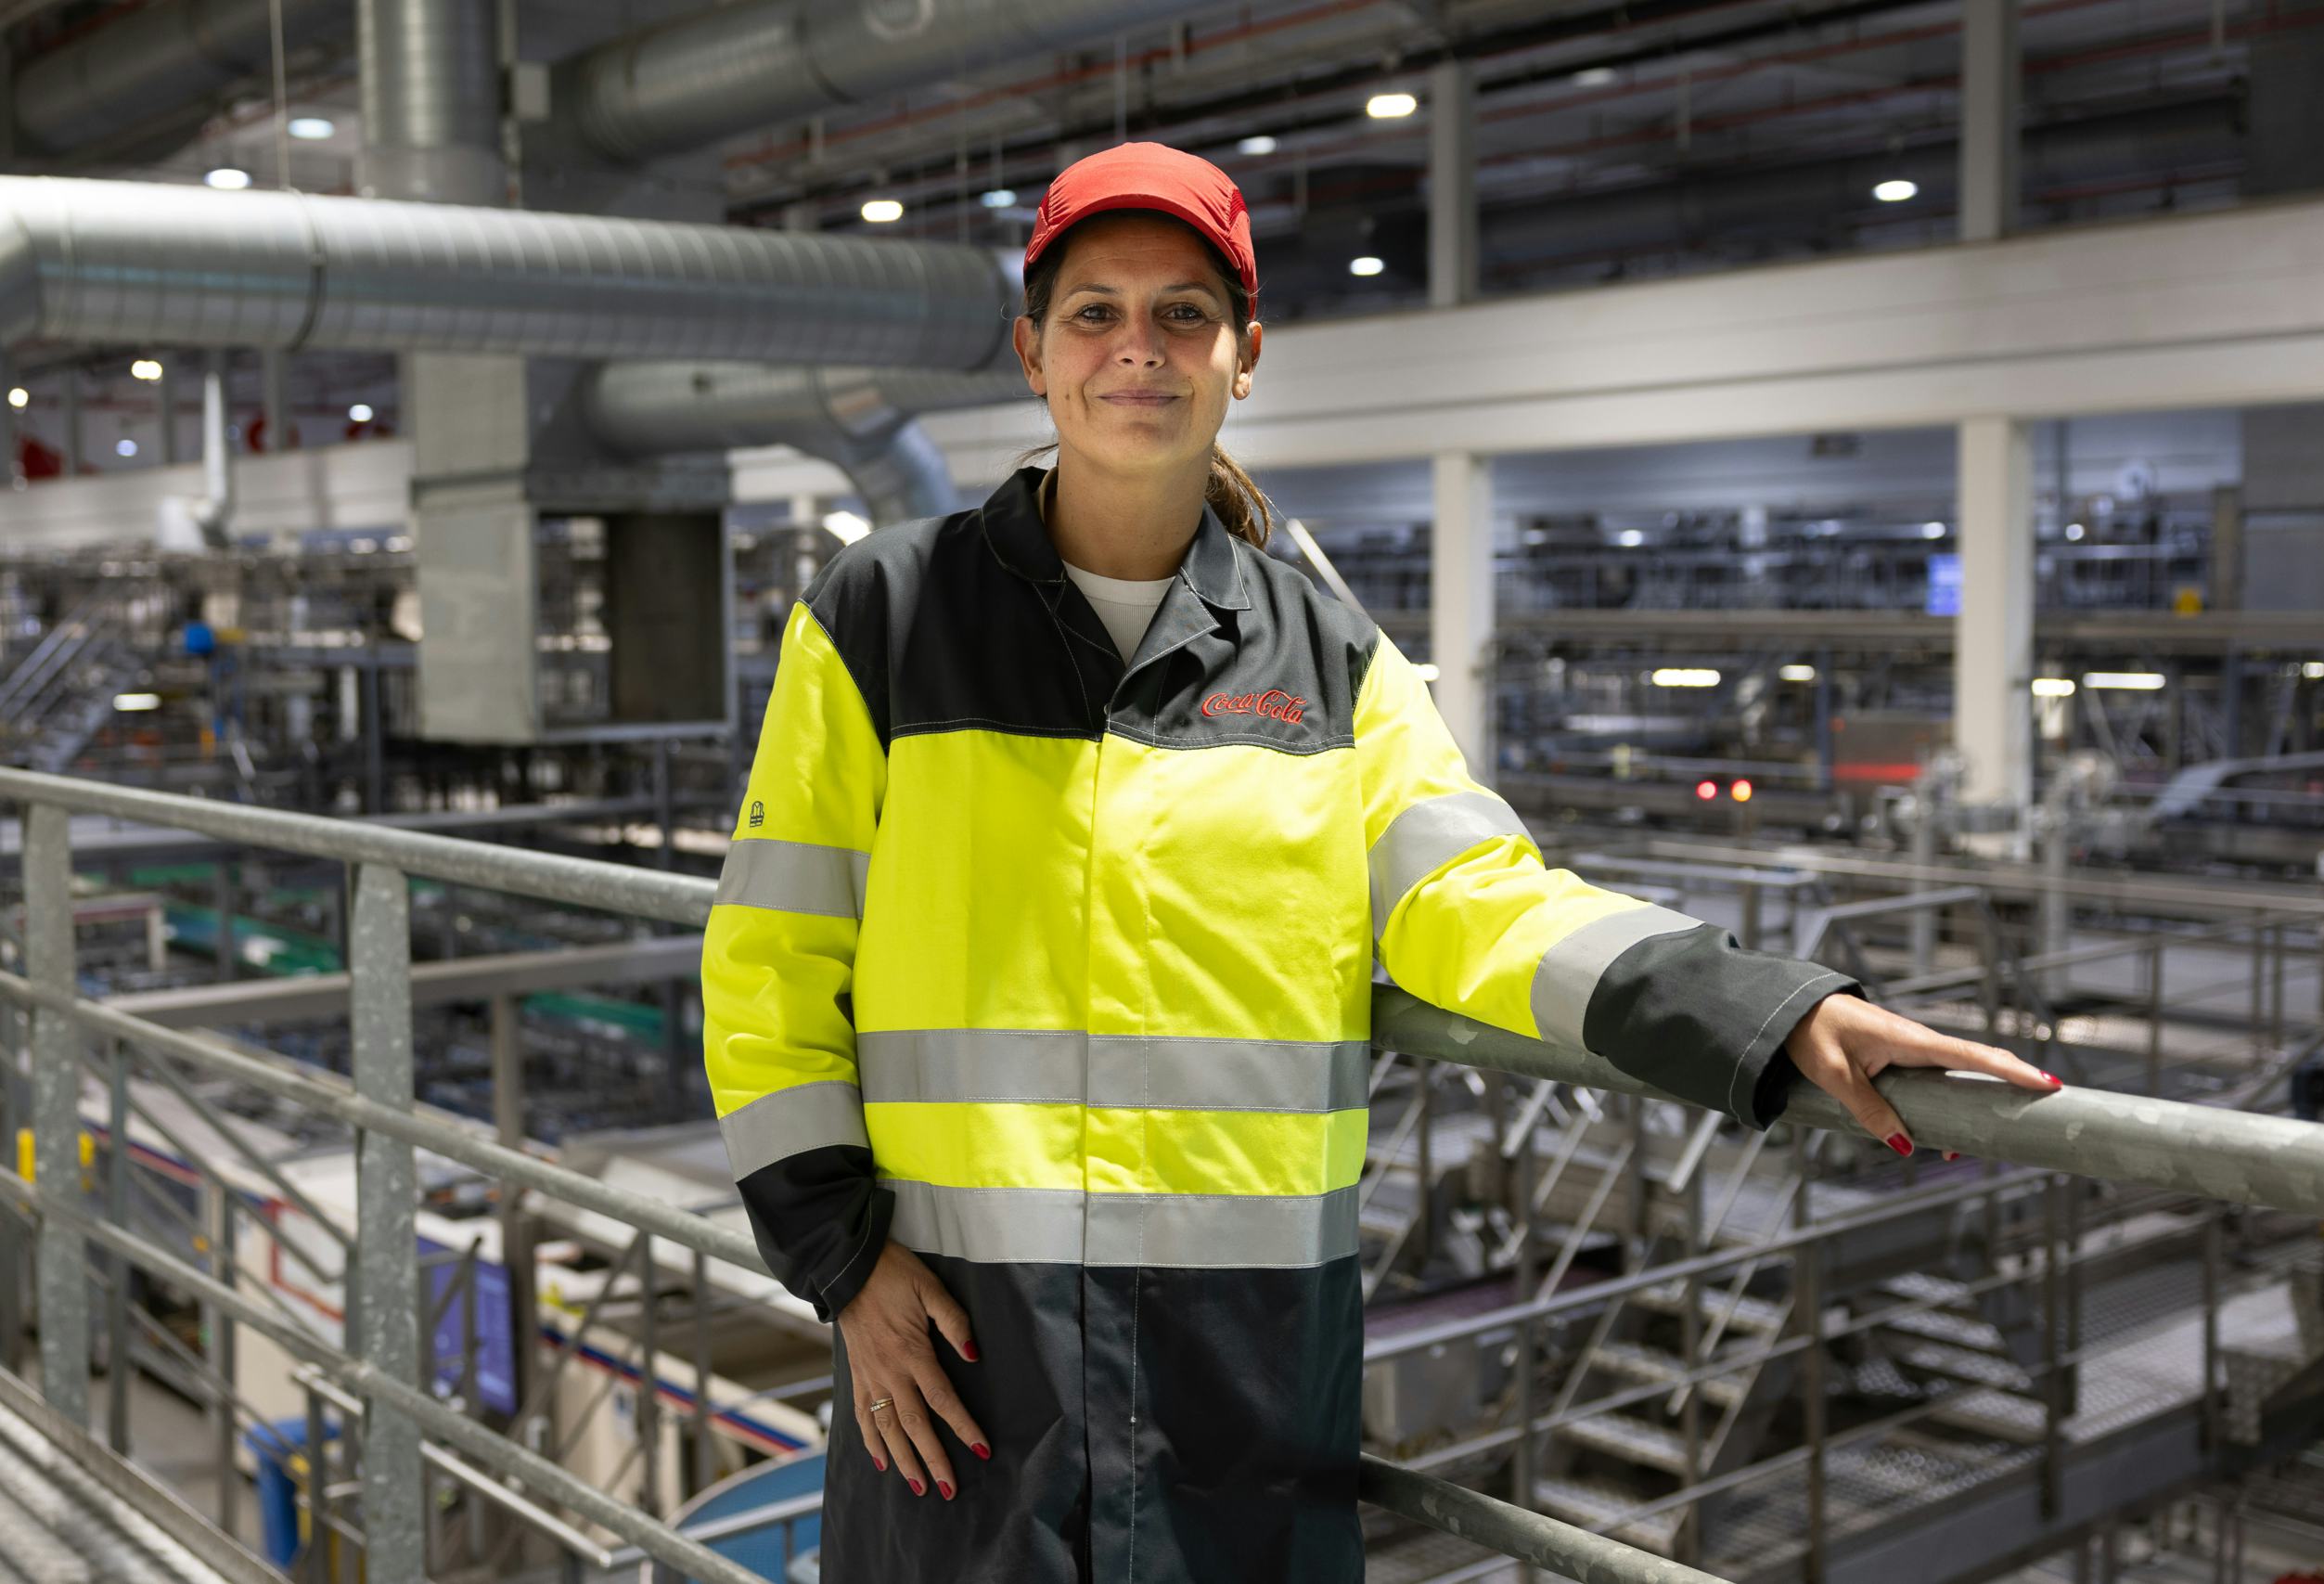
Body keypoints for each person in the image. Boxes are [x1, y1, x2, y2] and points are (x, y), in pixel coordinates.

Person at [700, 139, 2060, 1583]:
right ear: (1034, 354)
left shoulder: (1328, 659)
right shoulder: (885, 617)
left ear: (1245, 356)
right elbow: (773, 959)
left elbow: (1474, 899)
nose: (1138, 352)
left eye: (1183, 314)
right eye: (1095, 312)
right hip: (968, 1346)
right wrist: (844, 1266)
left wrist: (1768, 1013)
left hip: (1240, 1356)